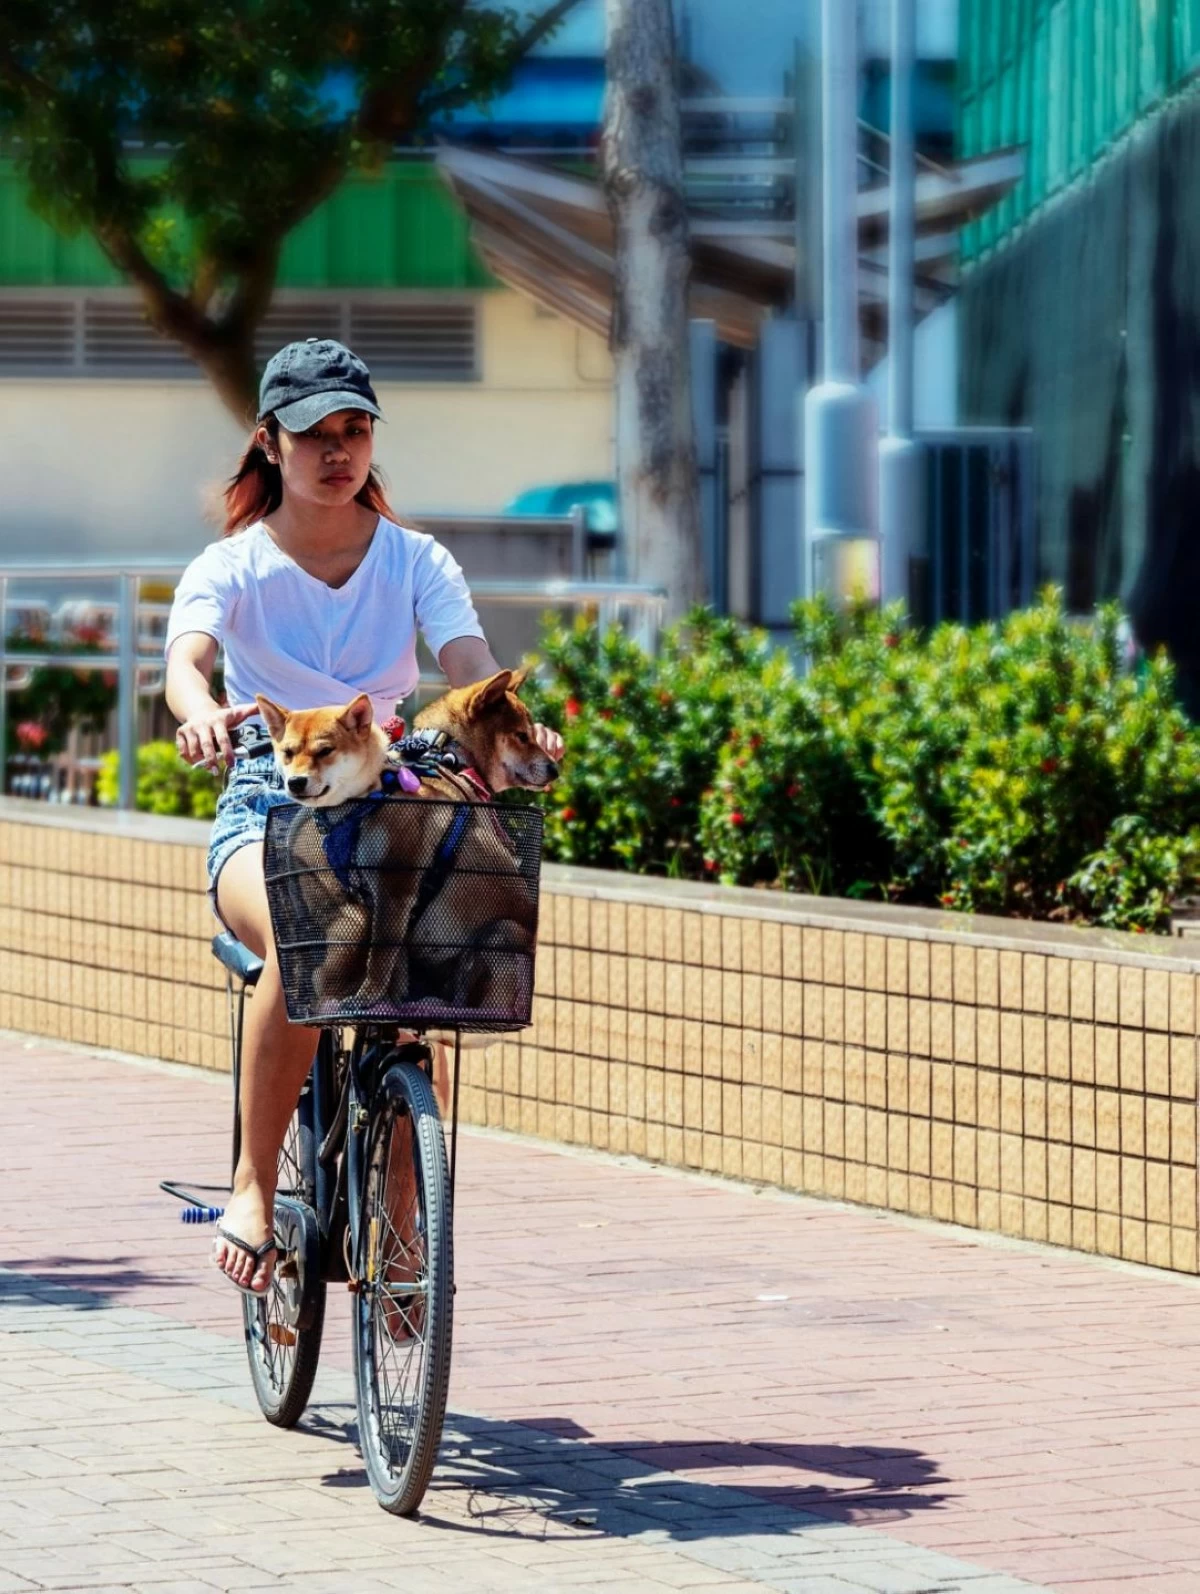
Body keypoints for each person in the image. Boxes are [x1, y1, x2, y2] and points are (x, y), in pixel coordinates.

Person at [165, 338, 564, 1295]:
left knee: (420, 985)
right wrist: (203, 717)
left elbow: (469, 665)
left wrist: (516, 729)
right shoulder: (233, 565)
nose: (338, 452)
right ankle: (254, 1186)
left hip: (389, 800)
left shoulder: (416, 559)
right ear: (269, 442)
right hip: (266, 803)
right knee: (310, 948)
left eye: (355, 430)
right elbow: (188, 662)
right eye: (313, 435)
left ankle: (399, 1216)